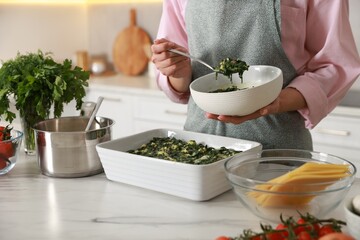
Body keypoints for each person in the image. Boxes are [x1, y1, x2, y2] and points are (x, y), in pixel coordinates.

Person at [151, 0, 360, 150]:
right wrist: (177, 70)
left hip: (277, 154)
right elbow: (177, 82)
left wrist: (275, 102)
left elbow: (336, 65)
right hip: (199, 146)